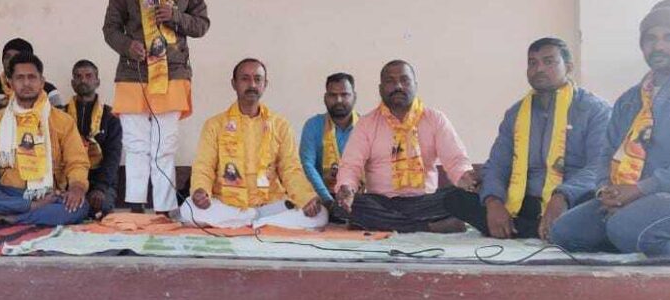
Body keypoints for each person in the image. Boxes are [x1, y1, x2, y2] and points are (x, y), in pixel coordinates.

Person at [551, 0, 670, 255]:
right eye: (650, 39)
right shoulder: (630, 100)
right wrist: (607, 191)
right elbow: (607, 153)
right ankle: (645, 238)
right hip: (638, 197)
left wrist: (639, 189)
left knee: (624, 227)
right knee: (564, 232)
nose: (658, 46)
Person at [444, 38, 611, 239]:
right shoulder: (516, 114)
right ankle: (545, 230)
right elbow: (497, 164)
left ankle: (530, 229)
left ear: (568, 67)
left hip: (572, 200)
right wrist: (494, 202)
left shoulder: (594, 110)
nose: (539, 69)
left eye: (548, 61)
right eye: (533, 63)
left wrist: (562, 196)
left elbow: (599, 167)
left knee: (598, 209)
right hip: (525, 201)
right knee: (455, 198)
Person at [103, 0, 210, 213]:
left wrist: (175, 16)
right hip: (133, 72)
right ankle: (136, 205)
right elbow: (110, 29)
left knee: (164, 145)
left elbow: (202, 25)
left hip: (172, 72)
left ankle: (164, 208)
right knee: (136, 144)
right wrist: (128, 46)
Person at [180, 59, 325, 229]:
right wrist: (200, 190)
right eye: (245, 79)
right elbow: (204, 166)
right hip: (228, 205)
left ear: (265, 84)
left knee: (321, 214)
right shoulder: (215, 125)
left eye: (257, 79)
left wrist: (306, 198)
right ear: (234, 84)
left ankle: (249, 221)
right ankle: (257, 222)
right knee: (188, 209)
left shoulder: (280, 125)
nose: (252, 85)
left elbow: (291, 169)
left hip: (271, 205)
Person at [0, 52, 91, 225]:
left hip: (48, 194)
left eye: (32, 77)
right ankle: (30, 208)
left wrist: (77, 188)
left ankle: (9, 217)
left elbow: (77, 162)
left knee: (80, 207)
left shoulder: (62, 121)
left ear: (42, 82)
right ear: (10, 83)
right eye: (20, 78)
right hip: (8, 193)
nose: (26, 83)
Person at [335, 60, 475, 233]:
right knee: (350, 205)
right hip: (382, 201)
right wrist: (347, 188)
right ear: (380, 89)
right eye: (390, 81)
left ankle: (391, 224)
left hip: (424, 202)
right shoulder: (366, 123)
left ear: (415, 85)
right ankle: (428, 227)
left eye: (404, 80)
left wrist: (465, 178)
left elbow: (456, 160)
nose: (398, 86)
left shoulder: (435, 119)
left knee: (459, 198)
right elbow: (351, 165)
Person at [0, 38, 65, 139]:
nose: (10, 61)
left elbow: (62, 129)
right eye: (7, 57)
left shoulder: (49, 91)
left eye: (16, 56)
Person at [65, 59, 123, 217]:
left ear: (97, 82)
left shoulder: (111, 117)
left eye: (88, 76)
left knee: (100, 207)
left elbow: (113, 156)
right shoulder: (62, 114)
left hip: (100, 179)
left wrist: (100, 188)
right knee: (64, 205)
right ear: (72, 83)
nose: (83, 80)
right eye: (78, 76)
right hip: (70, 178)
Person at [299, 72, 359, 219]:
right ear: (325, 98)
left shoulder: (365, 127)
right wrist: (328, 201)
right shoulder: (313, 125)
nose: (339, 100)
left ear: (354, 97)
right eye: (333, 95)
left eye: (344, 95)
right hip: (322, 196)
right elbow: (307, 165)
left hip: (357, 197)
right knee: (310, 216)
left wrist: (349, 198)